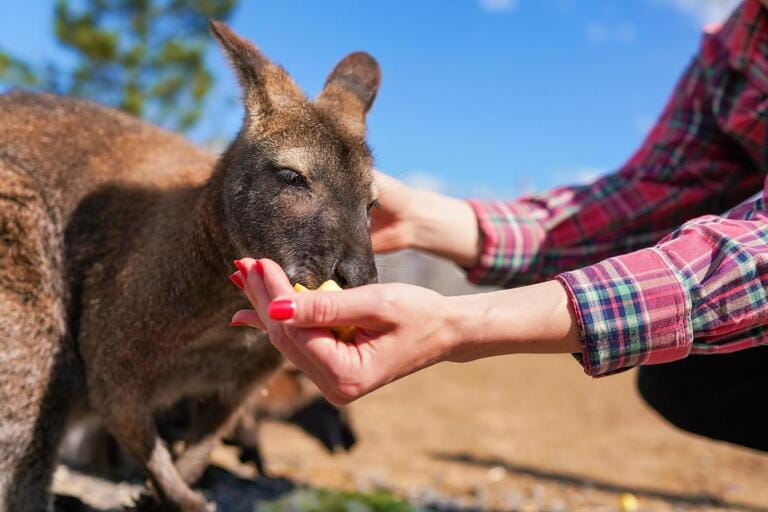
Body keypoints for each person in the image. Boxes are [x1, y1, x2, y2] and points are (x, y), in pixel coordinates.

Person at [230, 0, 768, 452]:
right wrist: (427, 219)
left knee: (698, 366)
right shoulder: (735, 48)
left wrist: (459, 326)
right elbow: (654, 192)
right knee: (685, 380)